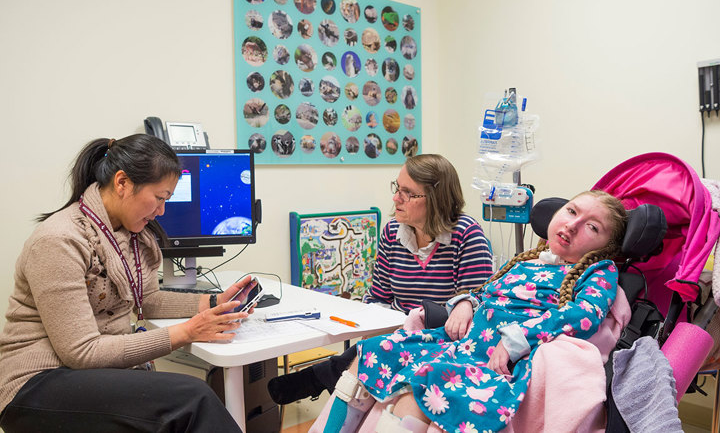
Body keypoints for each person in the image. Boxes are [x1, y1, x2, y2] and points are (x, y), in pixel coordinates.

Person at [0, 134, 255, 432]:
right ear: (122, 183)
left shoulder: (130, 236)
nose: (161, 211)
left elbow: (147, 300)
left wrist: (213, 302)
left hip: (85, 374)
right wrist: (188, 331)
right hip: (36, 382)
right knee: (193, 398)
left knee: (183, 401)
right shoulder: (59, 240)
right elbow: (83, 352)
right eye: (159, 198)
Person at [328, 190, 627, 432]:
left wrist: (517, 338)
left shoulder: (599, 270)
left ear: (606, 247)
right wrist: (464, 302)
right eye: (572, 211)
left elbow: (584, 314)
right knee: (374, 350)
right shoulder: (526, 262)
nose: (572, 225)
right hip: (463, 343)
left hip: (493, 362)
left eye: (592, 226)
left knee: (422, 386)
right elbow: (485, 292)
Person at [268, 154, 493, 404]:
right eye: (397, 188)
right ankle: (324, 377)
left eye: (407, 193)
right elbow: (378, 297)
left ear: (436, 199)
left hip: (439, 340)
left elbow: (477, 302)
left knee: (367, 362)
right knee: (367, 361)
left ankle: (319, 377)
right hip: (395, 332)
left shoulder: (466, 234)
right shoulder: (391, 233)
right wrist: (371, 325)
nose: (396, 198)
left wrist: (463, 305)